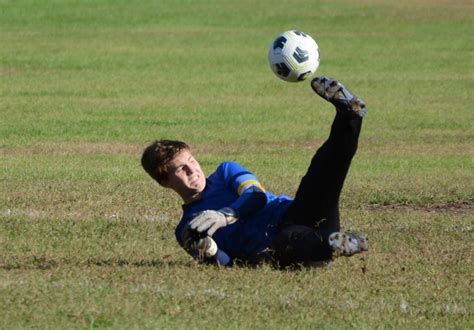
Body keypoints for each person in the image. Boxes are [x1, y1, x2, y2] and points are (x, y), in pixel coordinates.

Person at [141, 76, 369, 268]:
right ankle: (335, 245)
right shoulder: (187, 229)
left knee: (321, 173)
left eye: (191, 160)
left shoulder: (225, 172)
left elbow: (256, 195)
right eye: (182, 168)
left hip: (295, 212)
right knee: (290, 242)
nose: (193, 169)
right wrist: (210, 251)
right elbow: (229, 264)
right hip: (279, 244)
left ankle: (349, 115)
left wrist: (225, 216)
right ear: (165, 181)